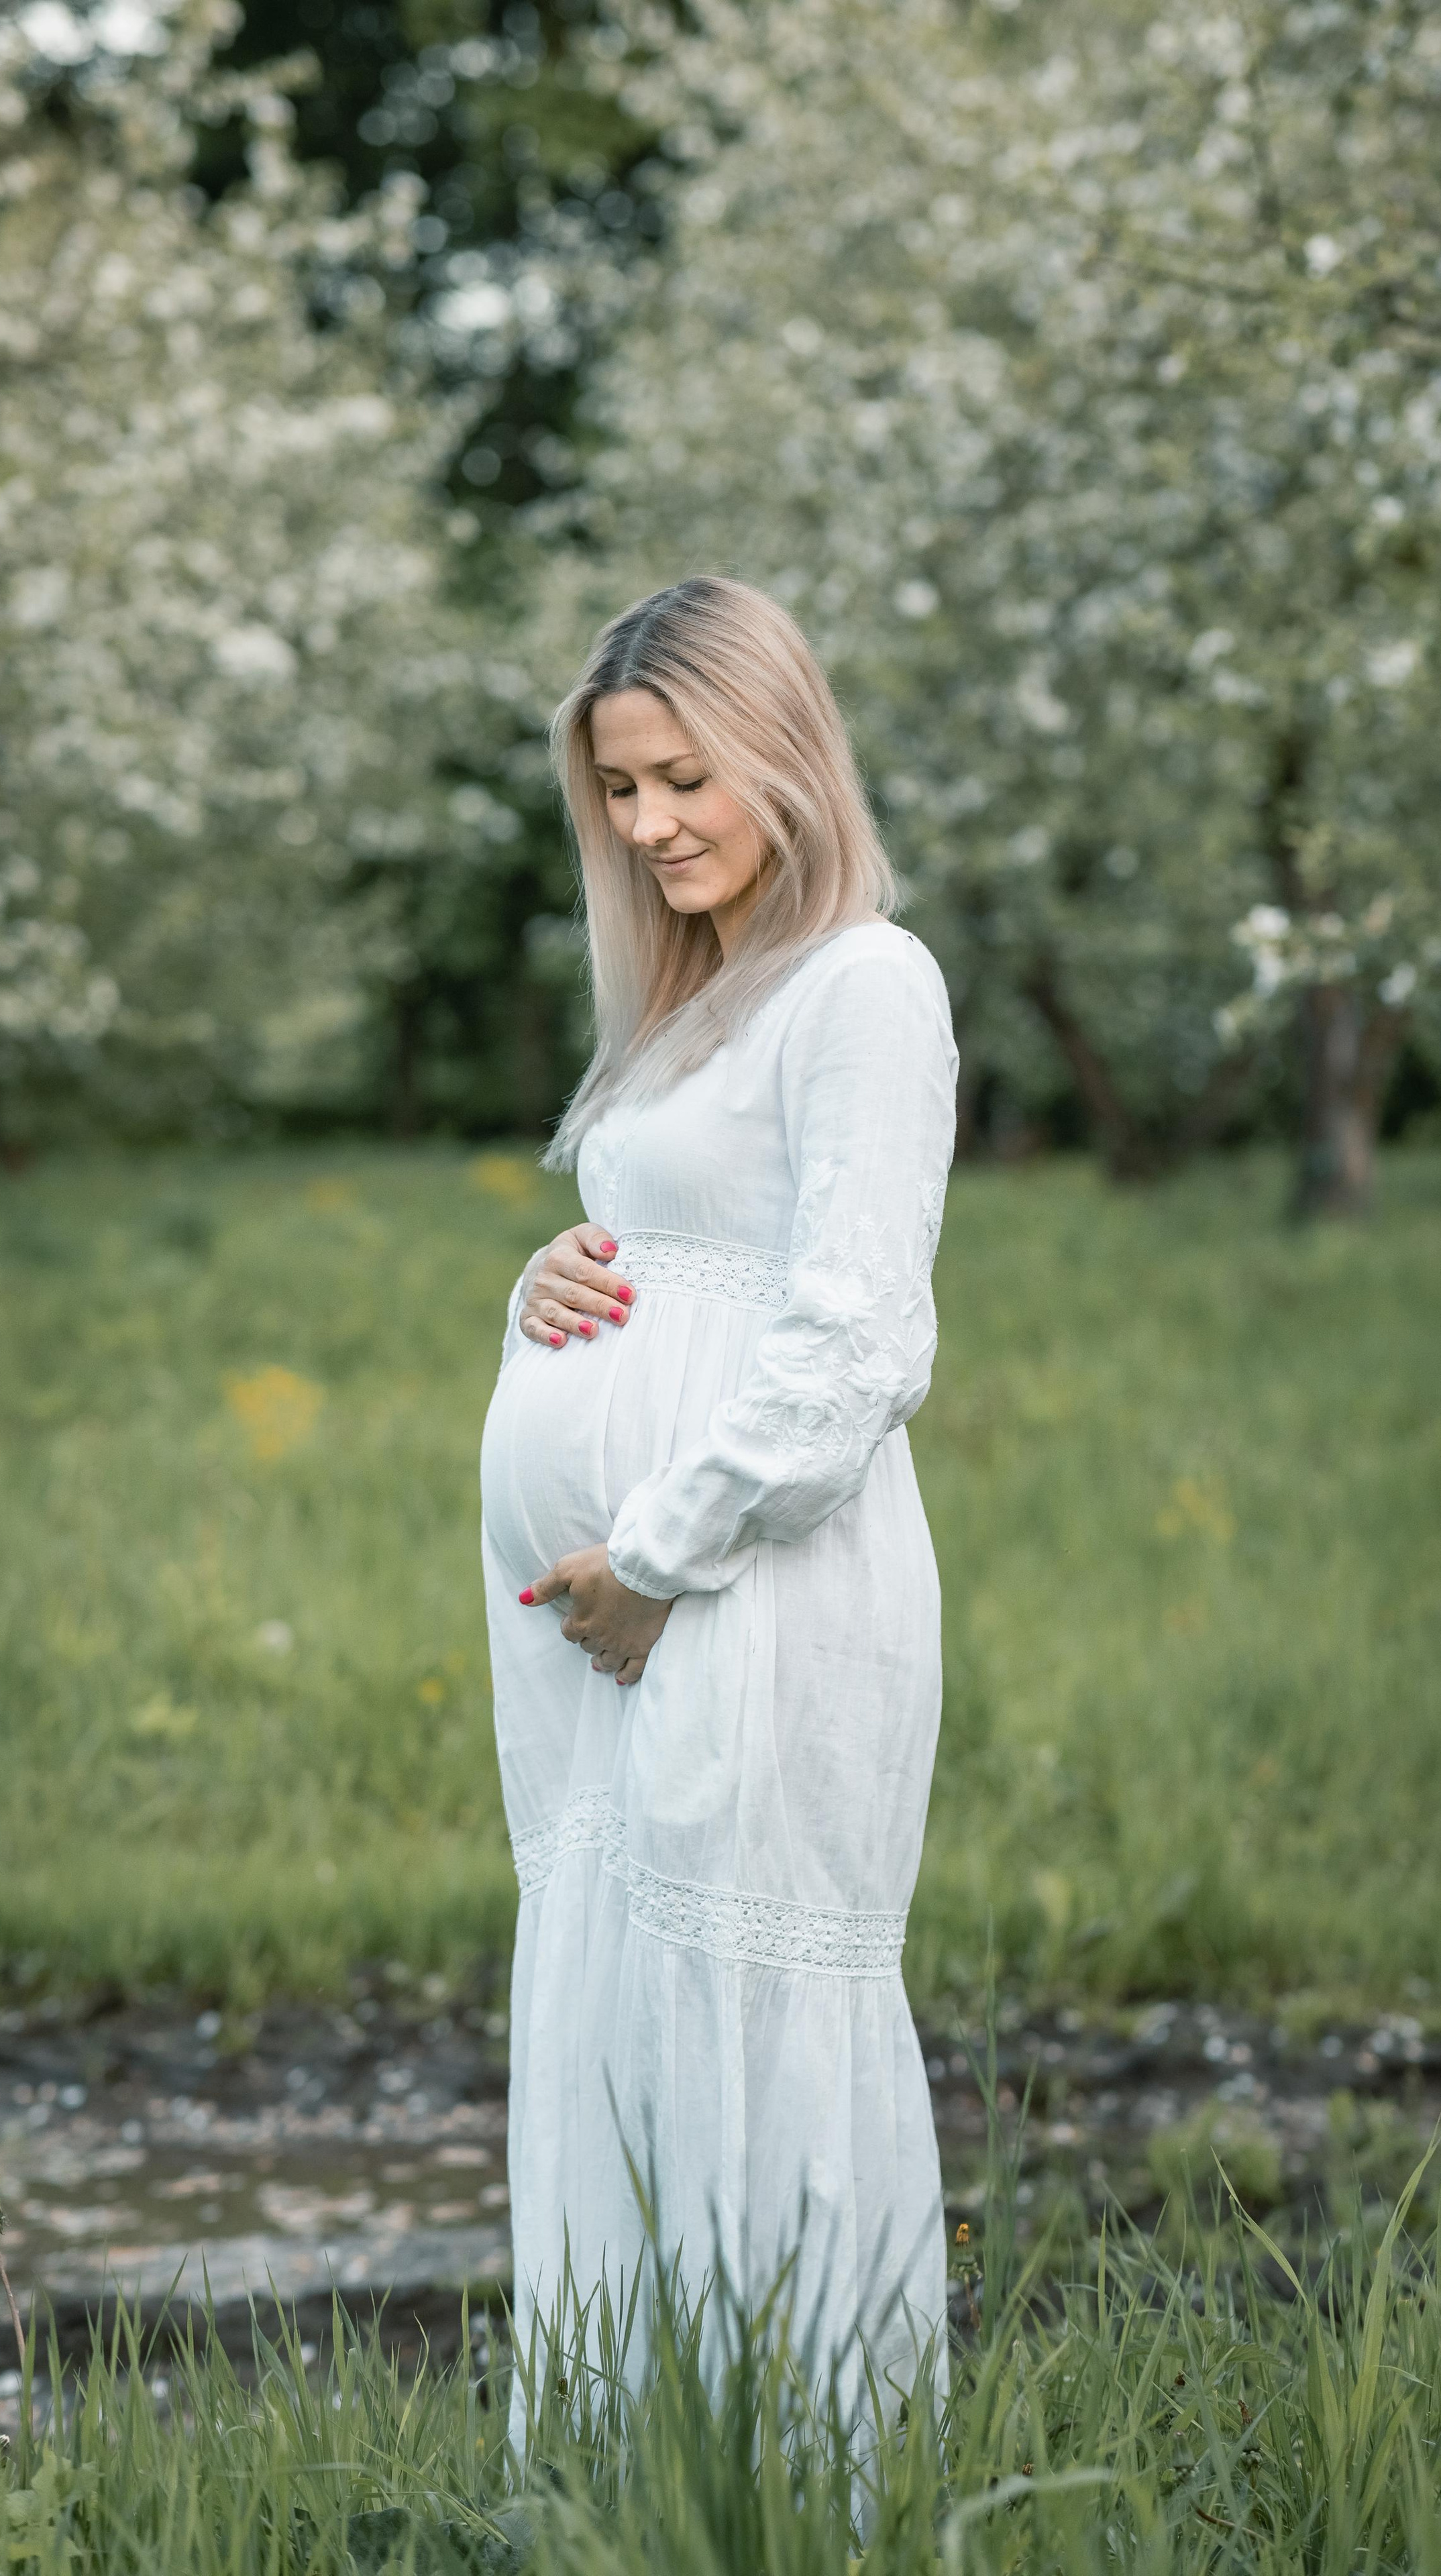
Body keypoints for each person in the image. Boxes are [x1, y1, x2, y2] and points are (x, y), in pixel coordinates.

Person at [479, 575, 959, 2435]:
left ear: (783, 752)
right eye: (617, 788)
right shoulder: (705, 999)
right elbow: (694, 1256)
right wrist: (552, 1289)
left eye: (683, 777)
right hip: (629, 1620)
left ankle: (807, 2489)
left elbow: (856, 1341)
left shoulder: (866, 983)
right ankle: (638, 2483)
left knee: (750, 2023)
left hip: (742, 1594)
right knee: (629, 2029)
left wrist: (658, 1560)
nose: (649, 823)